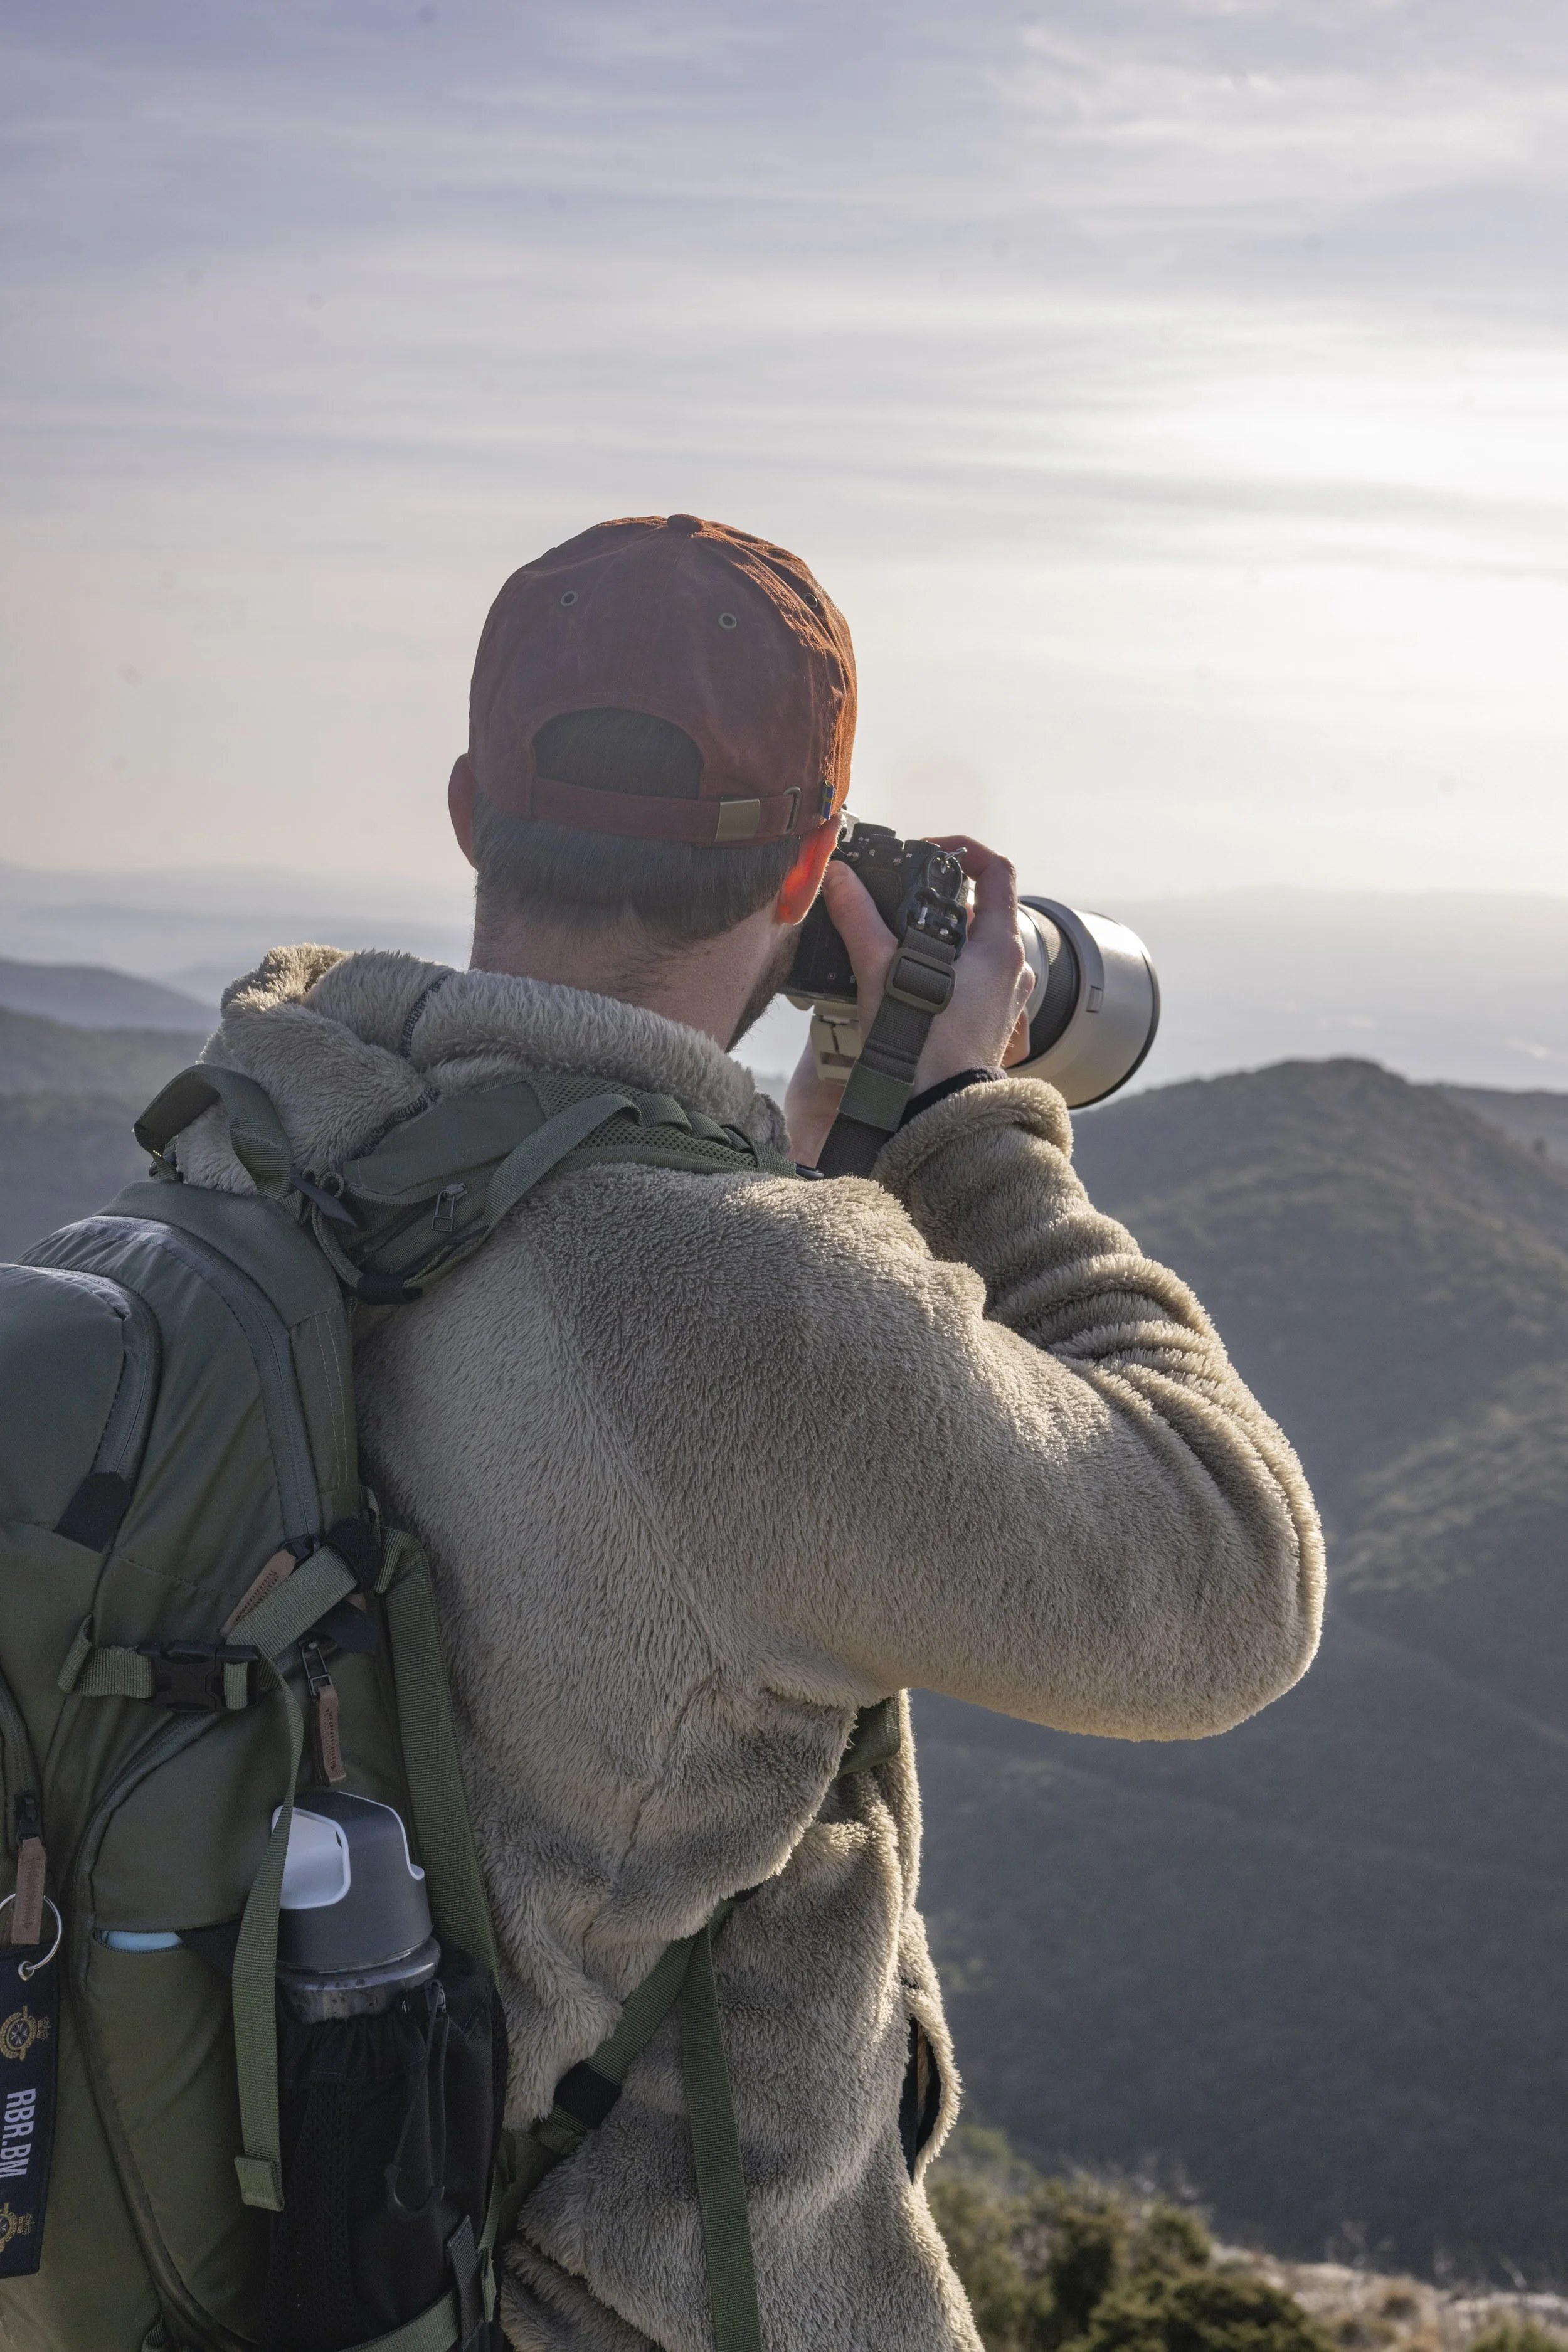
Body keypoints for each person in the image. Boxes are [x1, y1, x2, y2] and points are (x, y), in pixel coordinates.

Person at [180, 512, 1323, 2351]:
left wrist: (790, 1168)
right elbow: (1229, 1583)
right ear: (808, 858)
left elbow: (602, 1339)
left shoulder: (259, 1143)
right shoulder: (747, 1319)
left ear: (473, 809)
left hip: (245, 2252)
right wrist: (962, 1121)